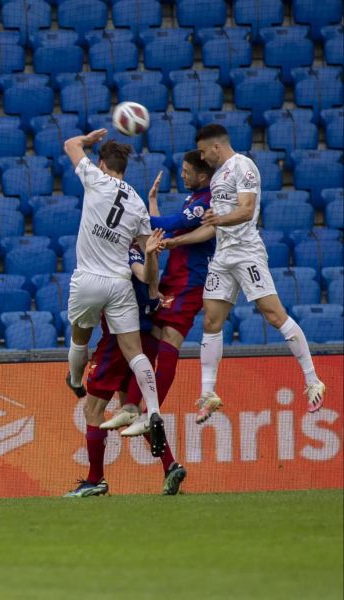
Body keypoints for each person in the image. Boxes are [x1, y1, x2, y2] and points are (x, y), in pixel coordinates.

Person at [189, 124, 325, 422]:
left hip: (246, 252)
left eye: (202, 150)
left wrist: (220, 219)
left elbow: (247, 210)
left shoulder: (244, 166)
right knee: (211, 320)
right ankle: (209, 393)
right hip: (223, 255)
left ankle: (313, 380)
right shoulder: (215, 180)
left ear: (215, 146)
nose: (202, 157)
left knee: (274, 315)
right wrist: (178, 240)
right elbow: (216, 222)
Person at [62, 129, 167, 457]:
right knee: (135, 353)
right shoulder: (136, 203)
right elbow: (150, 271)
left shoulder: (95, 178)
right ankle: (153, 412)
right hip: (121, 284)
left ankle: (76, 382)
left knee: (80, 339)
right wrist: (150, 259)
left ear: (104, 163)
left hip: (89, 279)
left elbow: (70, 145)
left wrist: (88, 140)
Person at [100, 151, 216, 432]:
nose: (183, 175)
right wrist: (151, 202)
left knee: (170, 341)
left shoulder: (206, 201)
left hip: (190, 281)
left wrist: (136, 214)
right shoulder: (194, 198)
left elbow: (173, 225)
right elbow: (169, 232)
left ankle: (151, 415)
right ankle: (132, 407)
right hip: (173, 278)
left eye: (187, 171)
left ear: (202, 176)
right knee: (153, 335)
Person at [66, 235, 188, 497]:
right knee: (130, 410)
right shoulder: (144, 253)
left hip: (119, 341)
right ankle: (171, 465)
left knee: (93, 409)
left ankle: (95, 479)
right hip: (145, 340)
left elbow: (142, 276)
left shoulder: (126, 253)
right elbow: (152, 289)